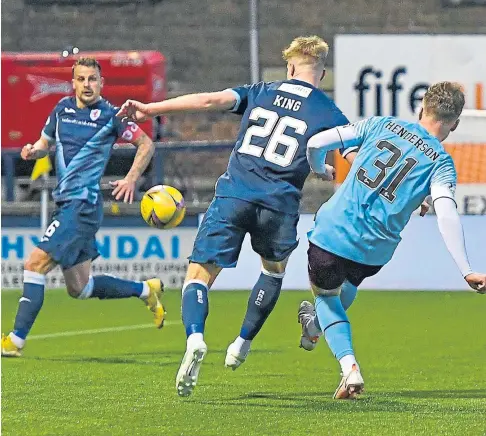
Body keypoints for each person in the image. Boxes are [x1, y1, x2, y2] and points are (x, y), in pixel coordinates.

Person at [117, 36, 357, 397]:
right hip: (279, 205)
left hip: (234, 194)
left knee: (197, 276)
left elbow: (209, 100)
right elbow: (355, 158)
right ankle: (241, 344)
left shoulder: (259, 91)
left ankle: (196, 337)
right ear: (320, 74)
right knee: (272, 272)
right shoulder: (329, 112)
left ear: (290, 67)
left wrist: (151, 109)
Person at [298, 81, 486, 399]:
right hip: (374, 252)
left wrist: (320, 168)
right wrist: (466, 268)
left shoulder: (382, 124)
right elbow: (447, 214)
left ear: (421, 108)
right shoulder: (441, 162)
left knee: (326, 297)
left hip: (334, 233)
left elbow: (317, 141)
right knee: (346, 287)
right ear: (454, 124)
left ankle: (349, 368)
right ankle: (315, 326)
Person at [2, 57, 165, 358]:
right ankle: (146, 290)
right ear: (73, 82)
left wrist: (131, 179)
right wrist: (32, 150)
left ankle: (15, 341)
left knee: (34, 265)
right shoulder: (61, 110)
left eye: (93, 79)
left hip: (83, 206)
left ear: (101, 83)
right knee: (80, 287)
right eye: (81, 79)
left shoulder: (112, 116)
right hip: (65, 203)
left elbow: (146, 144)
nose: (87, 85)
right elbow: (44, 143)